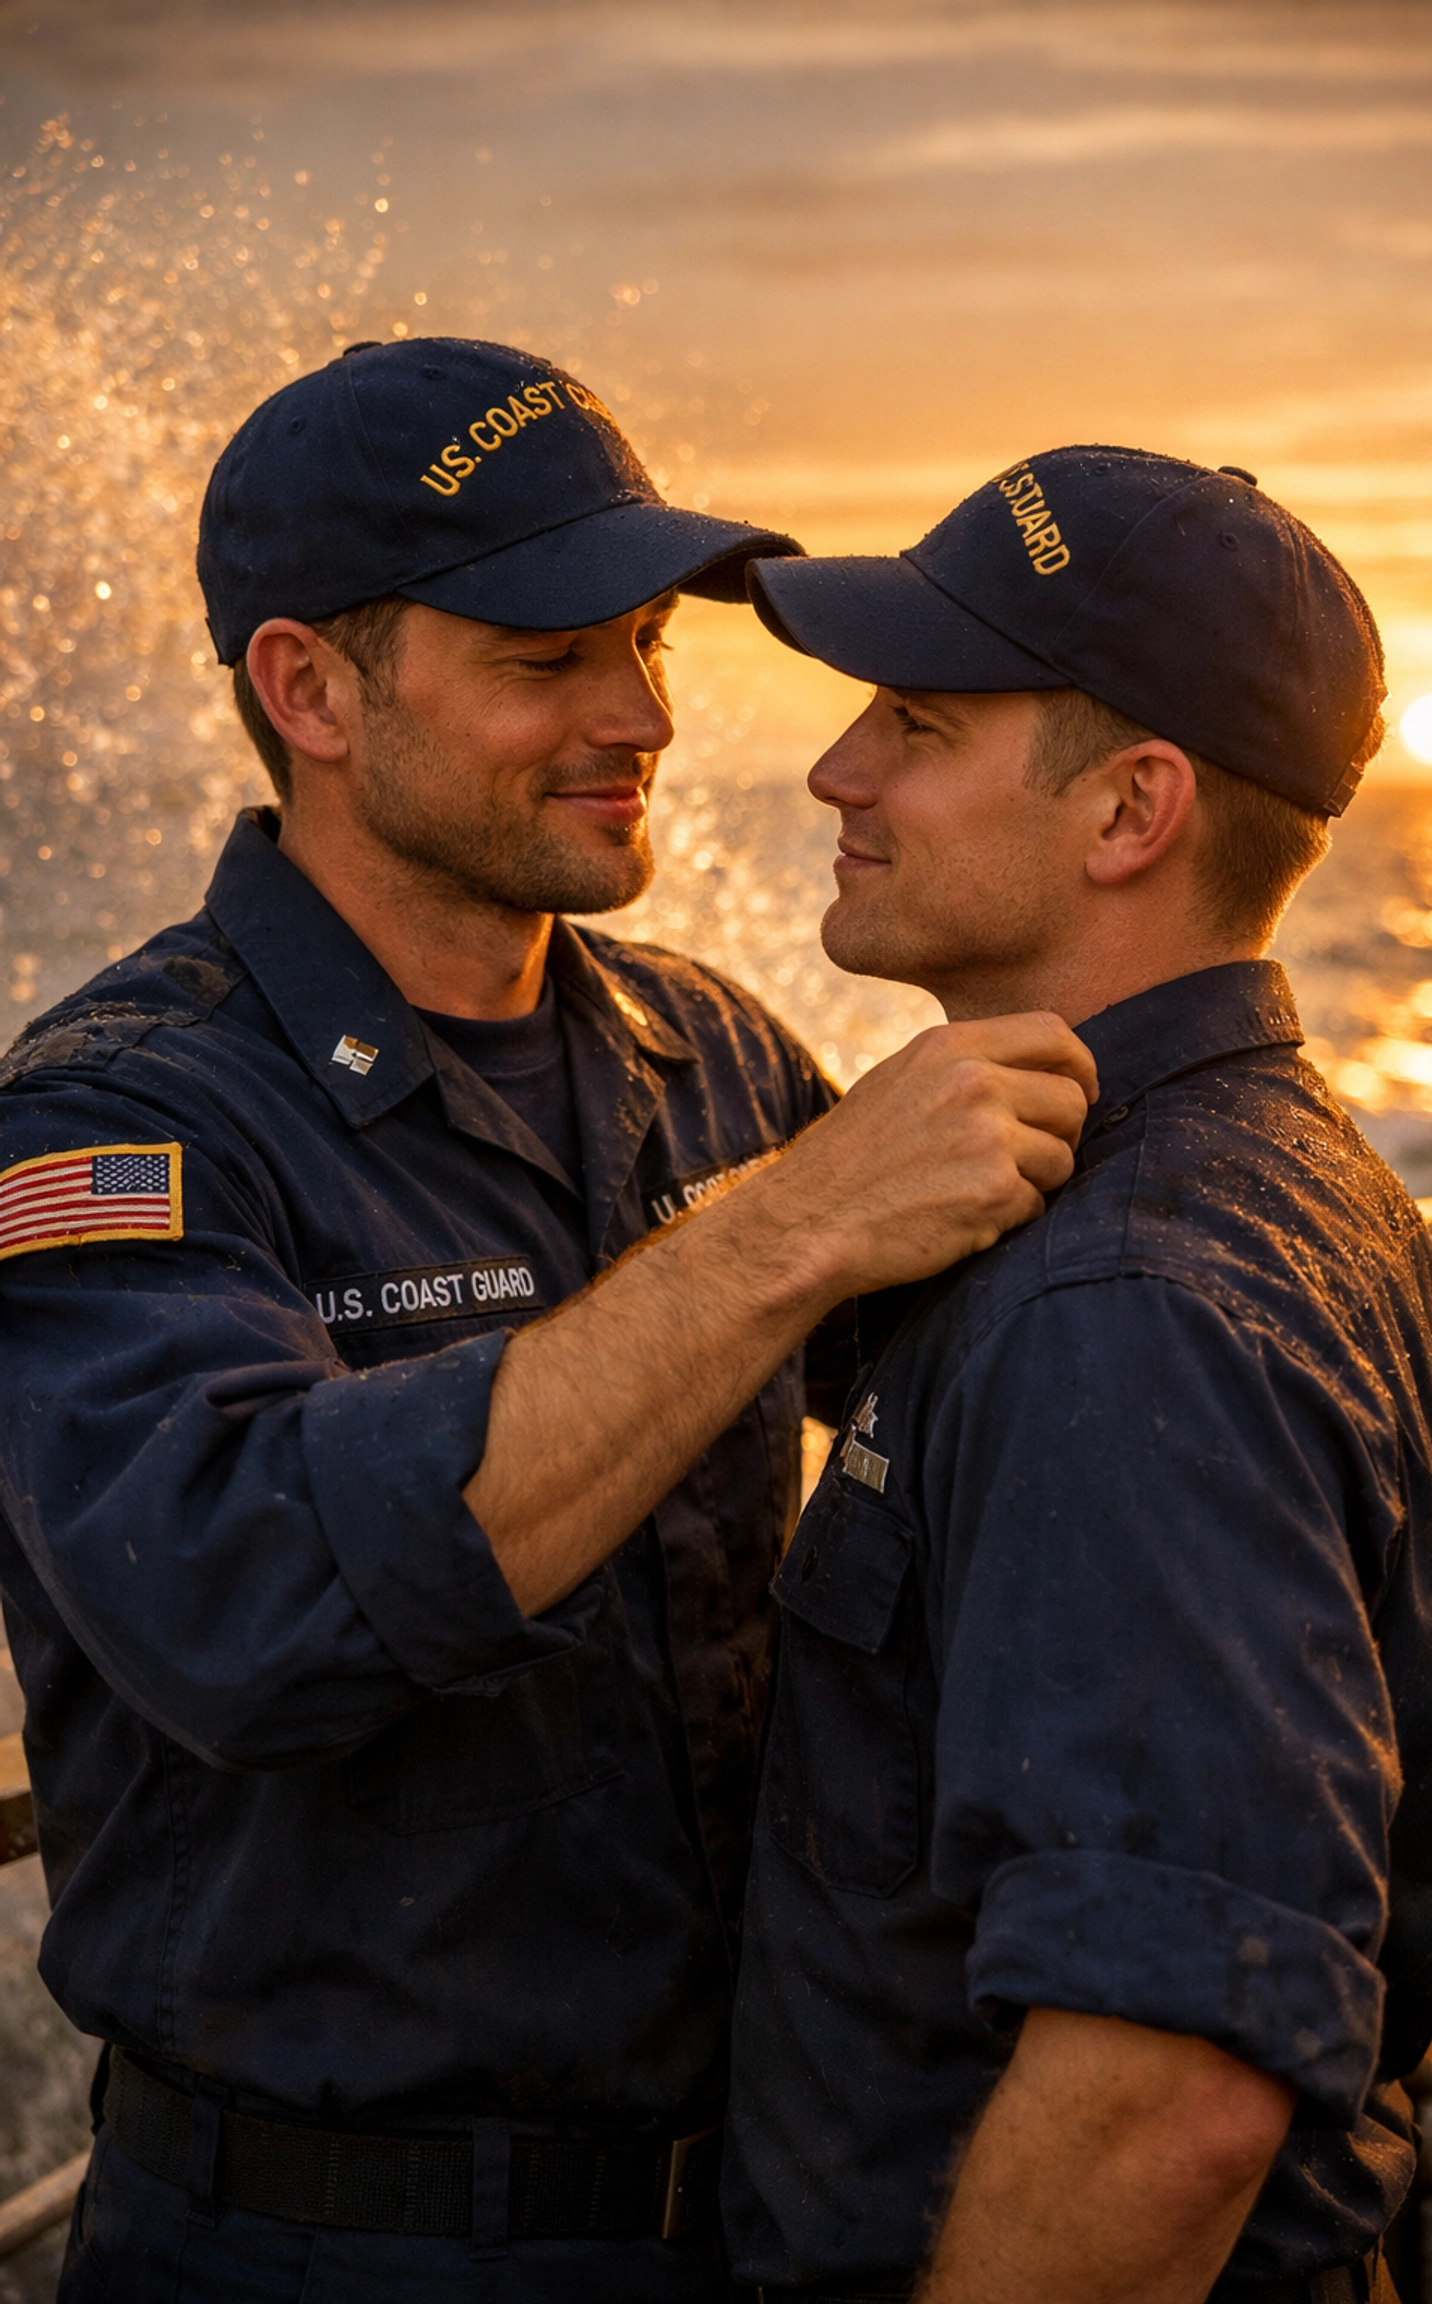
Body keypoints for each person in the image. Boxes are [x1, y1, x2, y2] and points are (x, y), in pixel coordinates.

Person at [0, 341, 1095, 2304]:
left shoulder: (710, 1053)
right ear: (307, 690)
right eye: (543, 661)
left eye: (648, 645)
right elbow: (246, 1607)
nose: (642, 716)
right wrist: (791, 1233)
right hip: (315, 2254)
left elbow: (1009, 1389)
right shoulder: (116, 1119)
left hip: (746, 2213)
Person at [724, 447, 1432, 2304]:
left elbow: (1166, 2093)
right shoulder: (1291, 1177)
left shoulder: (1124, 1300)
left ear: (1132, 809)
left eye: (913, 719)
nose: (838, 770)